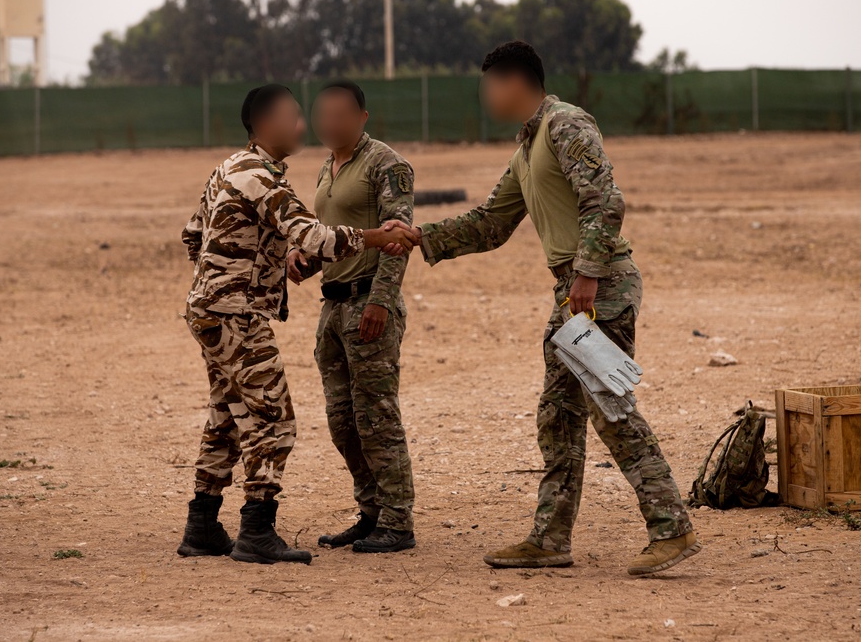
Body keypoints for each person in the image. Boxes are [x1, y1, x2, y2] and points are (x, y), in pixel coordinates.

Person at [405, 41, 700, 575]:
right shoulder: (526, 147)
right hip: (574, 289)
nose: (485, 95)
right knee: (559, 417)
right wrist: (419, 237)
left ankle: (671, 527)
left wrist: (586, 273)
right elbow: (490, 223)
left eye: (488, 84)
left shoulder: (565, 123)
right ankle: (550, 539)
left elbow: (606, 199)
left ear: (513, 81)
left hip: (599, 284)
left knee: (610, 409)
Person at [177, 83, 416, 565]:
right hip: (236, 315)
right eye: (294, 117)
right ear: (267, 124)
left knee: (227, 415)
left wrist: (230, 273)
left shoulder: (228, 167)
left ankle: (202, 524)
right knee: (273, 420)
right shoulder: (263, 177)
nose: (304, 126)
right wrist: (375, 236)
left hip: (209, 310)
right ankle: (257, 531)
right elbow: (314, 235)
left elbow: (192, 235)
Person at [286, 80, 417, 553]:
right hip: (333, 304)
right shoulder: (327, 167)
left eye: (342, 115)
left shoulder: (386, 164)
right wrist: (308, 261)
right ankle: (371, 513)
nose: (331, 124)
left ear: (362, 117)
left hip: (368, 304)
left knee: (377, 417)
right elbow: (338, 236)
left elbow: (397, 238)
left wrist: (381, 300)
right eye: (324, 116)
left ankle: (398, 523)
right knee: (343, 420)